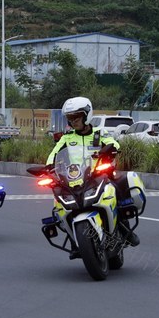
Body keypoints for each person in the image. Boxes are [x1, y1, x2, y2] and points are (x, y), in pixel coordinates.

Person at [45, 96, 137, 245]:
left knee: (116, 189)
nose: (73, 121)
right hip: (75, 178)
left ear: (87, 115)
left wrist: (111, 148)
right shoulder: (67, 138)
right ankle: (73, 236)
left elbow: (113, 143)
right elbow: (54, 153)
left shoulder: (99, 133)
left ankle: (125, 229)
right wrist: (49, 166)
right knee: (58, 202)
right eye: (70, 118)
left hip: (98, 174)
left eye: (76, 117)